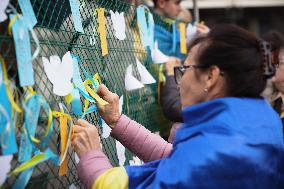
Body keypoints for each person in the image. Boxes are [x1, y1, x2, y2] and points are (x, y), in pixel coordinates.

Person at [71, 25, 284, 189]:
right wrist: (118, 121)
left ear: (211, 76)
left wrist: (92, 157)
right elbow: (174, 159)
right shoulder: (254, 121)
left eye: (184, 69)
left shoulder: (215, 151)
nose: (179, 81)